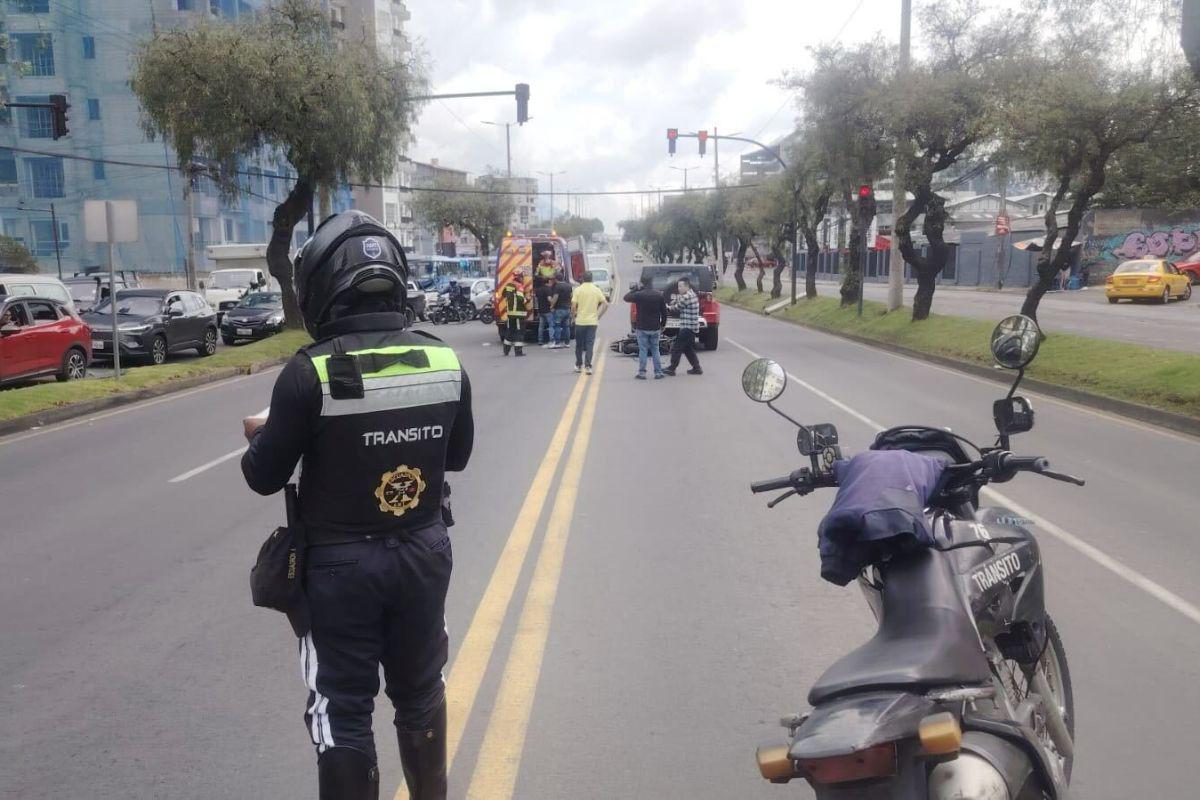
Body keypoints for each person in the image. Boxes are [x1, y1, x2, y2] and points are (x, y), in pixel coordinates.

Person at [240, 210, 474, 800]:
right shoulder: (443, 359)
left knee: (341, 711)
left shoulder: (308, 373)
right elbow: (457, 456)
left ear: (319, 288)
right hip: (424, 552)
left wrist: (263, 435)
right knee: (421, 693)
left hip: (338, 569)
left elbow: (263, 477)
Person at [623, 280, 667, 379]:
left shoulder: (639, 295)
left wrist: (634, 290)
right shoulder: (658, 295)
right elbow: (664, 312)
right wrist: (663, 324)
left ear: (642, 284)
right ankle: (658, 372)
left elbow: (626, 297)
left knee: (643, 350)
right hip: (655, 327)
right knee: (655, 350)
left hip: (642, 327)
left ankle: (642, 373)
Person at [571, 270, 608, 374]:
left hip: (580, 321)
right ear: (592, 279)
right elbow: (605, 304)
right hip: (592, 322)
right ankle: (588, 366)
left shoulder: (578, 290)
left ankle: (578, 364)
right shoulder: (596, 290)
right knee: (589, 344)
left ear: (582, 279)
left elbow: (573, 306)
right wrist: (598, 315)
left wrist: (573, 317)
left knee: (579, 344)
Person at [663, 276, 702, 376]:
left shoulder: (686, 297)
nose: (678, 288)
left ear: (687, 286)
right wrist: (675, 300)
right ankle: (697, 368)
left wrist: (667, 307)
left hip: (687, 328)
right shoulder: (691, 294)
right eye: (678, 286)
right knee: (687, 348)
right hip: (691, 327)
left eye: (681, 286)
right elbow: (680, 300)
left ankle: (672, 368)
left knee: (677, 347)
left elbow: (676, 309)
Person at [500, 272, 529, 356]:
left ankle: (506, 351)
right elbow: (520, 299)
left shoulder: (508, 285)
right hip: (518, 314)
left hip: (510, 313)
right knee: (519, 332)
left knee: (510, 331)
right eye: (522, 277)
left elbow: (503, 294)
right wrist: (527, 299)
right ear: (519, 277)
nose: (522, 279)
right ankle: (518, 352)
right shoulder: (519, 286)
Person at [534, 276, 557, 348]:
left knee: (541, 326)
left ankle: (540, 340)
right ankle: (551, 340)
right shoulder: (548, 289)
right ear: (548, 281)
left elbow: (536, 299)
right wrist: (553, 304)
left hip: (541, 310)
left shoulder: (538, 290)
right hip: (548, 310)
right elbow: (549, 299)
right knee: (551, 325)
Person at [552, 273, 572, 349]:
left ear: (556, 279)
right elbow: (571, 296)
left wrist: (551, 306)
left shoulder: (557, 286)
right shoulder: (569, 286)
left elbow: (555, 298)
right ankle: (567, 343)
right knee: (566, 327)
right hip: (567, 309)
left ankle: (557, 343)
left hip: (559, 309)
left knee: (557, 326)